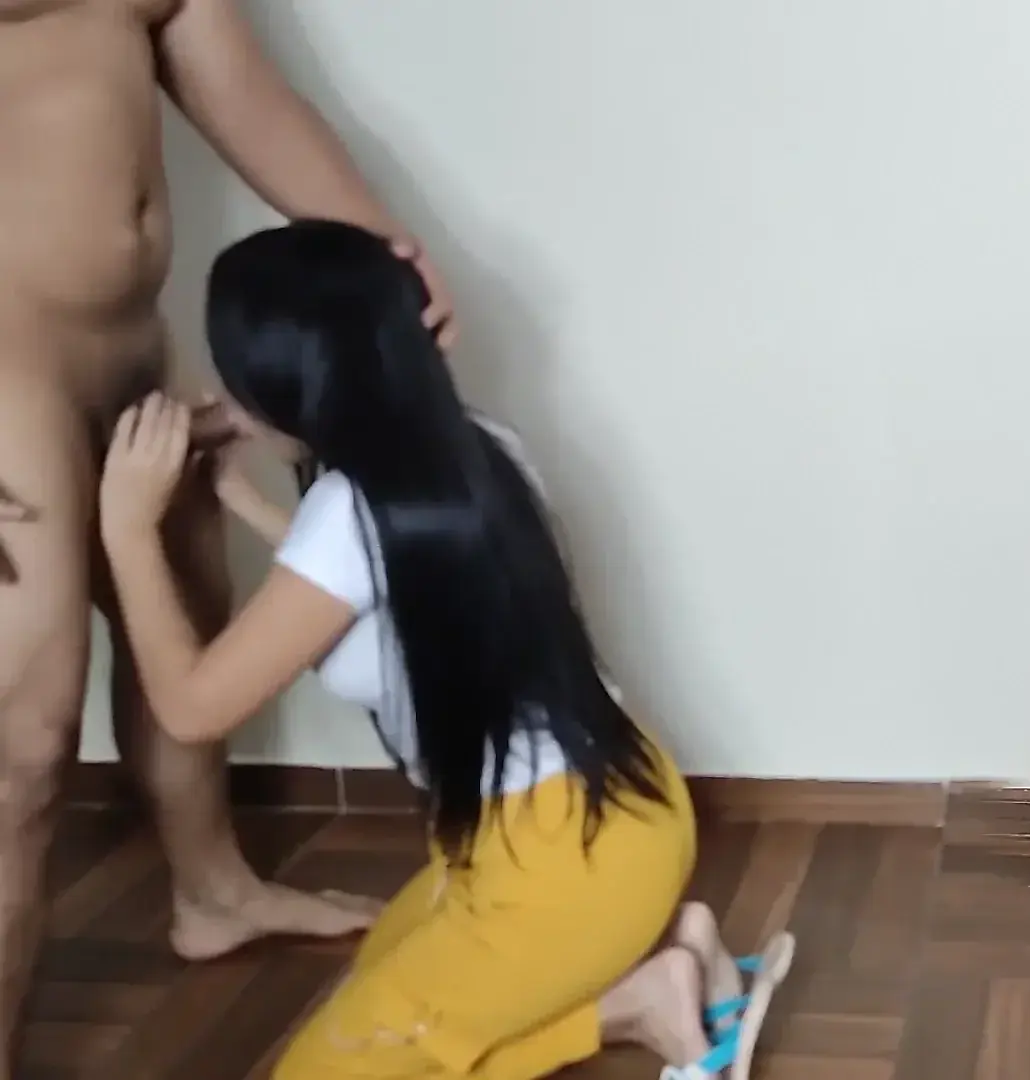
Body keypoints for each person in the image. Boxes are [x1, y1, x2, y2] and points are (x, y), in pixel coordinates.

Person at [96, 219, 795, 1078]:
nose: (224, 400)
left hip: (556, 866)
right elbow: (356, 591)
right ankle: (658, 990)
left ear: (292, 388)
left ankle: (641, 1001)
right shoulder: (474, 448)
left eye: (237, 383)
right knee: (384, 969)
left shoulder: (345, 516)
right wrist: (237, 495)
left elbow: (191, 707)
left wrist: (127, 527)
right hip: (621, 806)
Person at [0, 0, 462, 1067]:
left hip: (126, 342)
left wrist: (384, 251)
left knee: (186, 612)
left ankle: (212, 891)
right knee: (24, 739)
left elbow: (245, 92)